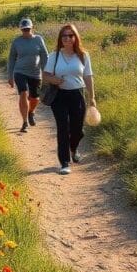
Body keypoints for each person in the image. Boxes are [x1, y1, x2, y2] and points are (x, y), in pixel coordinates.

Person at [42, 23, 96, 176]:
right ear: (60, 38)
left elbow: (88, 76)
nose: (67, 38)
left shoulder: (83, 55)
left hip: (77, 95)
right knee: (63, 128)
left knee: (77, 130)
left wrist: (92, 97)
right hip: (59, 96)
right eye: (64, 36)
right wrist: (55, 80)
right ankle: (64, 162)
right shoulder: (54, 56)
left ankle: (74, 149)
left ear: (75, 37)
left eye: (70, 35)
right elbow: (45, 76)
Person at [7, 18, 49, 133]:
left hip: (35, 73)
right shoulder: (17, 42)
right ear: (21, 30)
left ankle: (31, 112)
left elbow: (45, 56)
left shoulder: (39, 40)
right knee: (23, 93)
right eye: (24, 29)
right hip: (20, 71)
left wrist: (46, 72)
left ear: (32, 28)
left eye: (28, 29)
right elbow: (11, 59)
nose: (26, 31)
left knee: (34, 98)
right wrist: (10, 75)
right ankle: (25, 122)